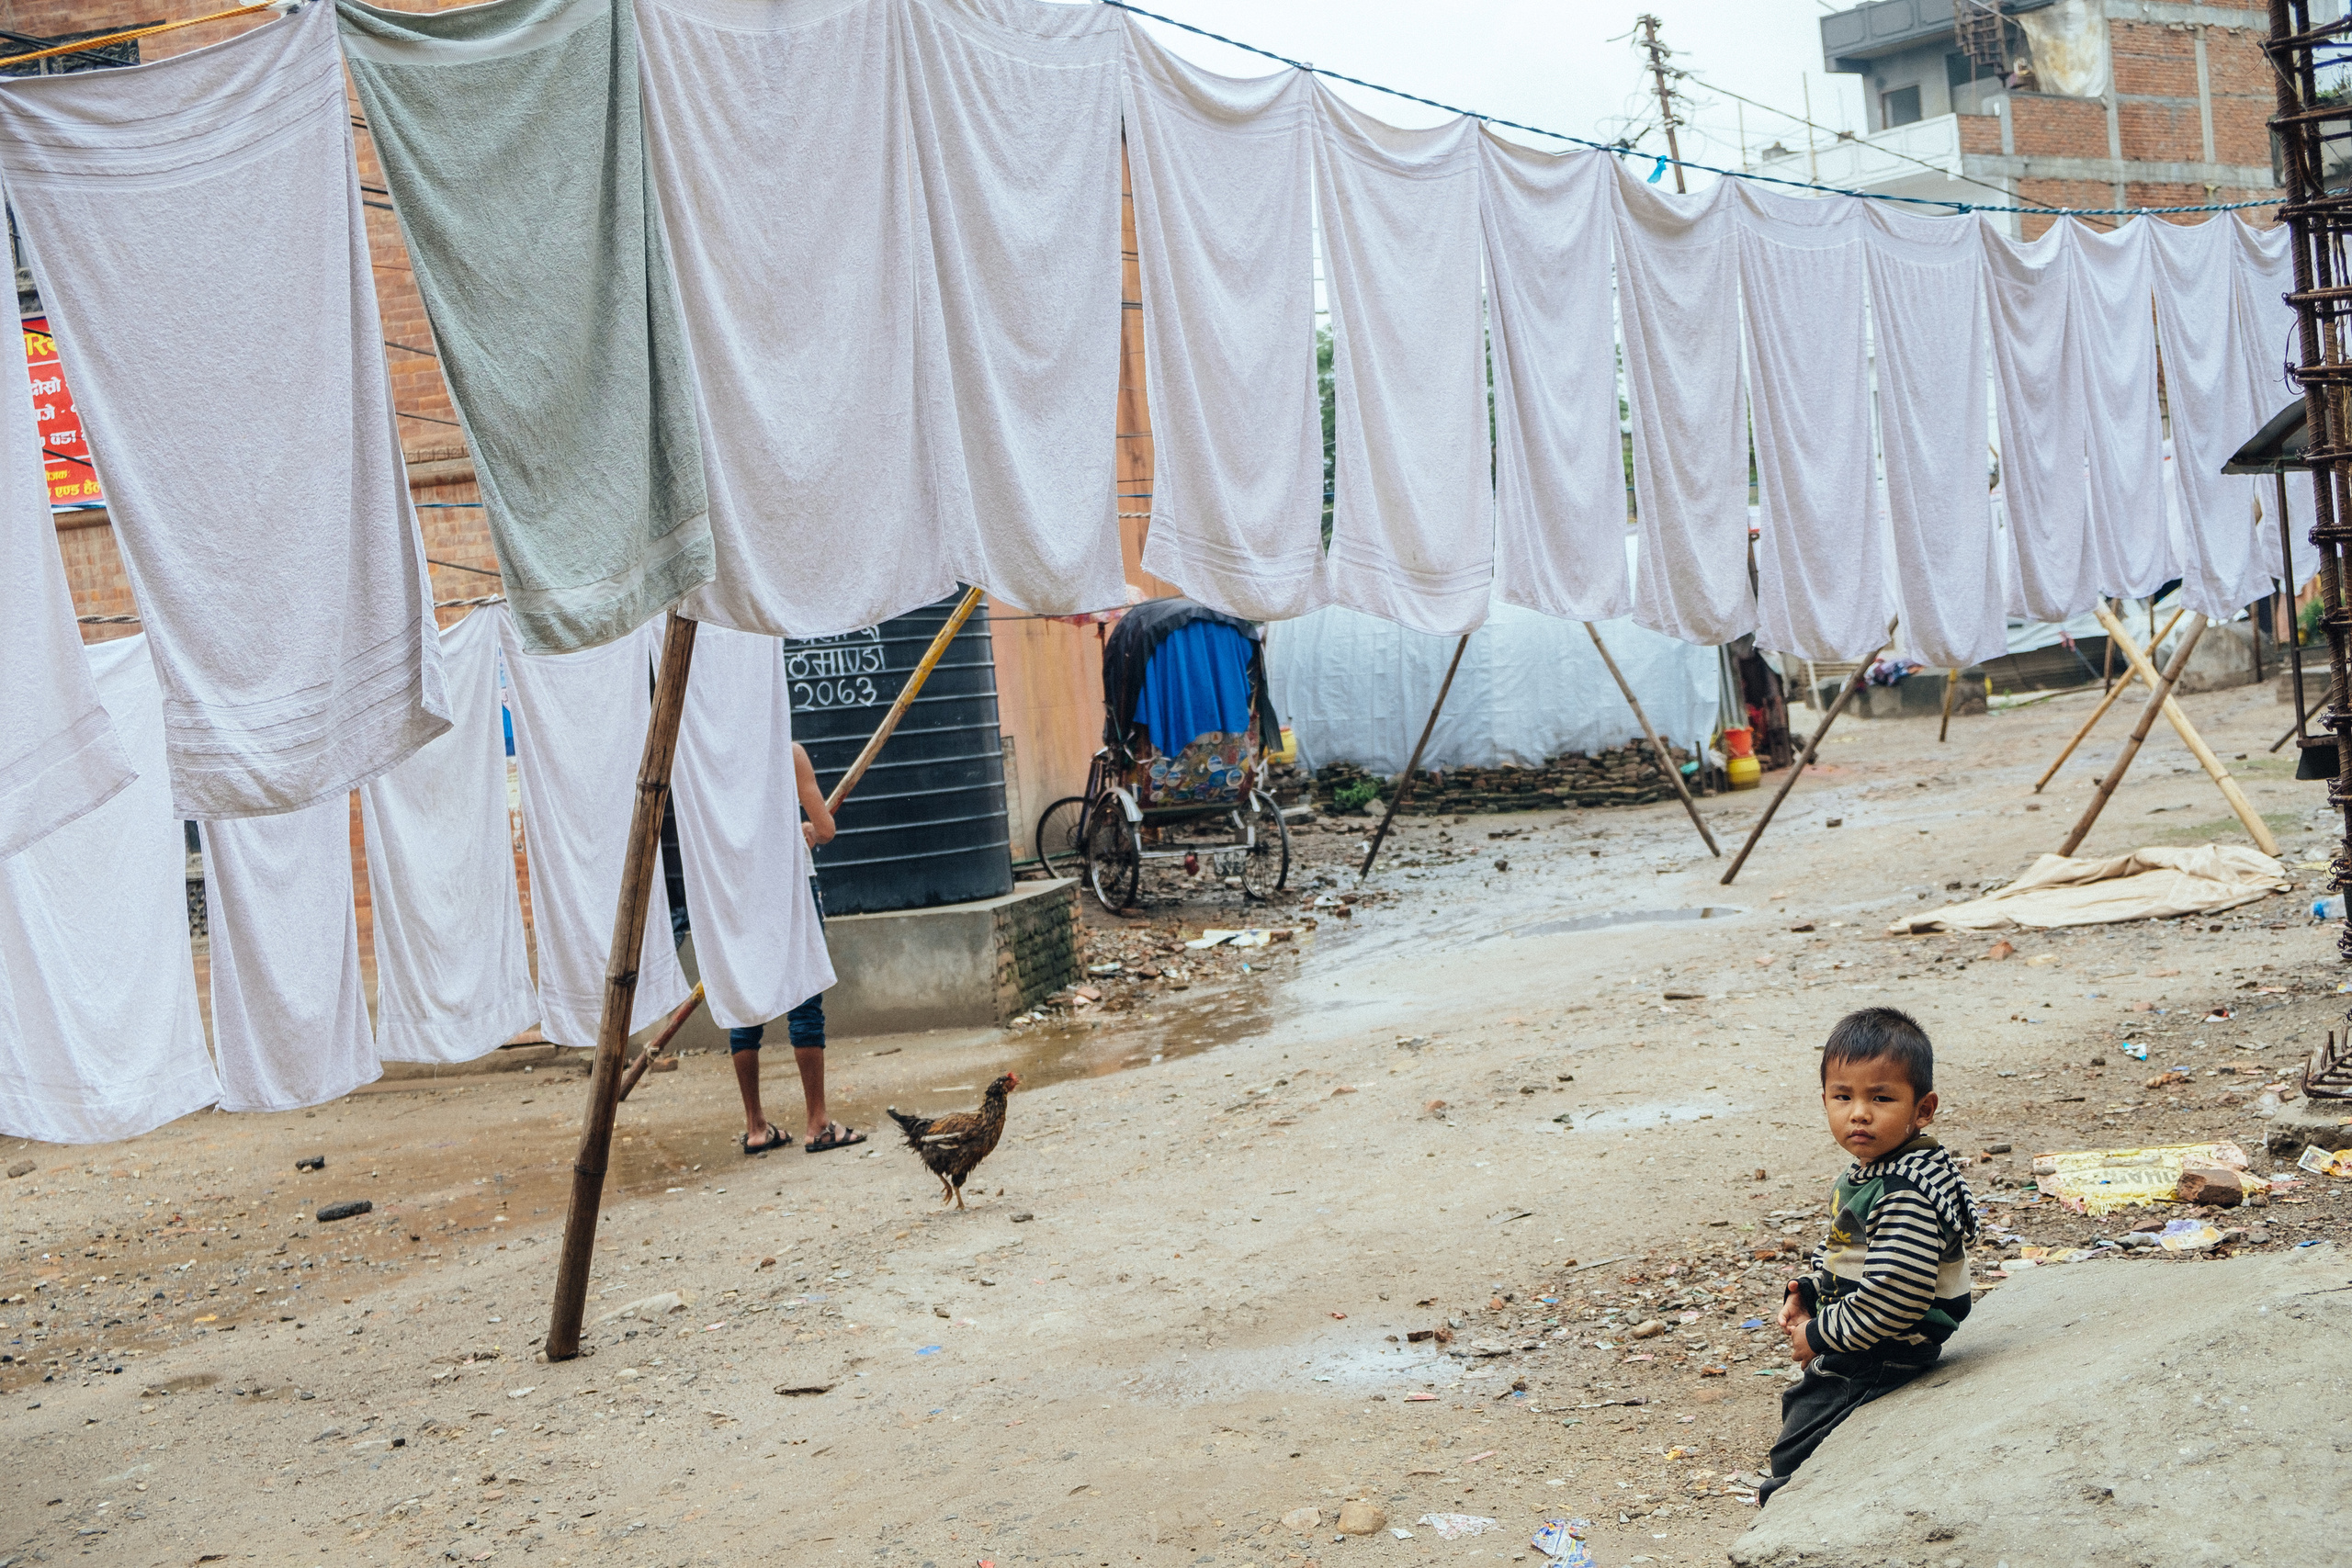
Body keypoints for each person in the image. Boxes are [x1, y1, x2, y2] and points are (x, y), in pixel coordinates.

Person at [1759, 1007, 1981, 1505]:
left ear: (1922, 1109)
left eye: (1881, 1098)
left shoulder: (1905, 1189)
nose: (1858, 1113)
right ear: (1824, 1100)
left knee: (1800, 1446)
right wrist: (1811, 1291)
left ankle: (1791, 1516)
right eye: (1843, 1097)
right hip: (1869, 1335)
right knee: (1805, 1409)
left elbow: (1895, 1296)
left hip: (1887, 1349)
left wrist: (1819, 1335)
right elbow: (1849, 1251)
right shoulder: (1875, 1170)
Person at [729, 741, 865, 1156]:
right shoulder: (787, 752)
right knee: (804, 997)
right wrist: (806, 830)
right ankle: (818, 1123)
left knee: (745, 1003)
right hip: (789, 885)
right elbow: (824, 828)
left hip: (739, 890)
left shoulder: (719, 755)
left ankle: (756, 1127)